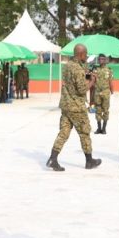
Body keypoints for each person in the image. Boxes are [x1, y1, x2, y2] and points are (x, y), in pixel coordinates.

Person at [45, 43, 101, 171]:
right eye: (85, 54)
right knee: (84, 132)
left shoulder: (68, 66)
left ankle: (53, 158)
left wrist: (86, 75)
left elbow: (73, 82)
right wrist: (91, 81)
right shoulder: (77, 69)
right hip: (76, 107)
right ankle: (89, 161)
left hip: (66, 105)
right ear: (81, 54)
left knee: (63, 132)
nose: (86, 56)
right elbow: (81, 89)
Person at [90, 54, 113, 134]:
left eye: (102, 59)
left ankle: (104, 128)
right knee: (98, 110)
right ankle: (99, 128)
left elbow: (110, 81)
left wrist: (112, 91)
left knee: (106, 110)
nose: (100, 60)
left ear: (106, 60)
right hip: (97, 92)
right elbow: (92, 80)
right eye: (99, 59)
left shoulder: (109, 70)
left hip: (106, 92)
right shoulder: (95, 69)